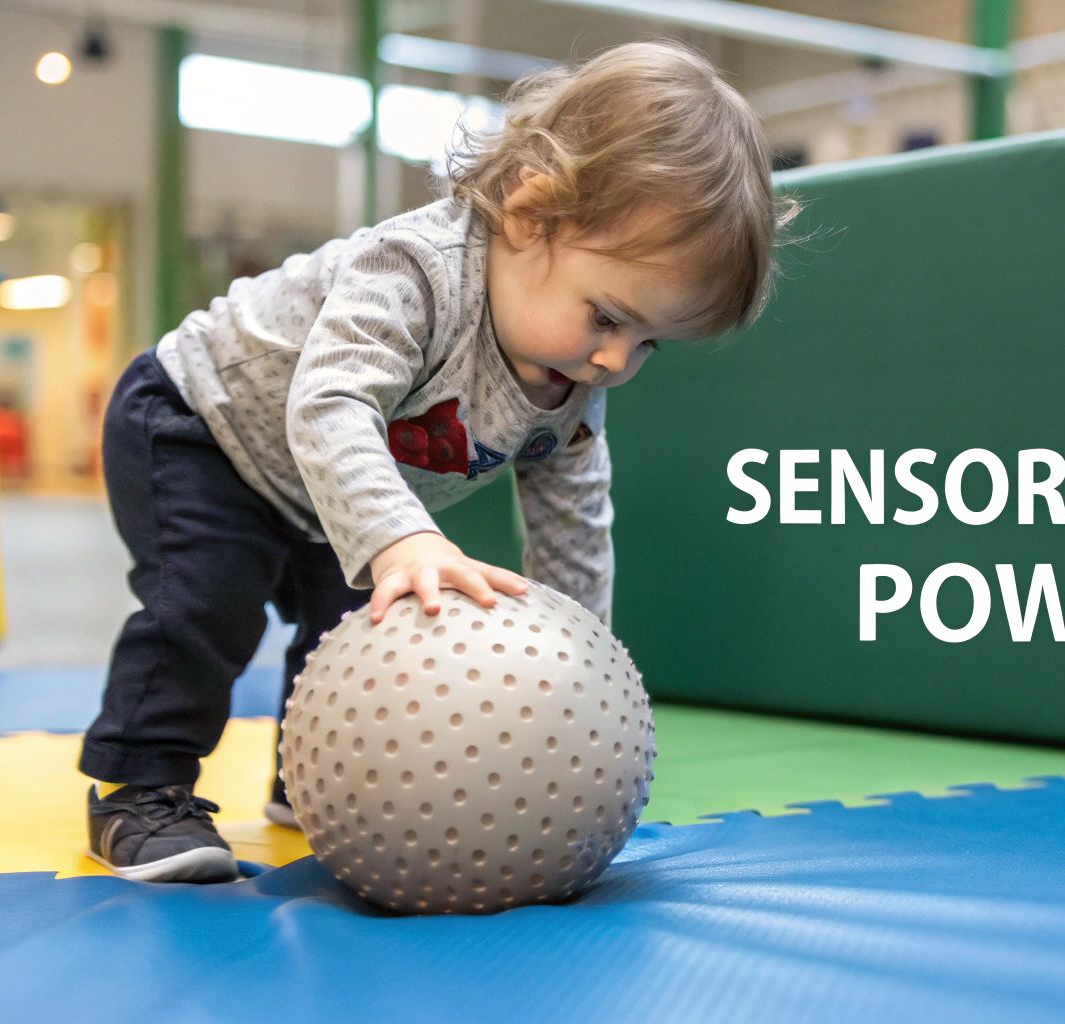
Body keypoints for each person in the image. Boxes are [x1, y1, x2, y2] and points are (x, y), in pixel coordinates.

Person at [79, 40, 798, 883]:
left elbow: (575, 519)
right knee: (205, 607)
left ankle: (317, 779)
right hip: (200, 422)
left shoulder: (570, 379)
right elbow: (331, 404)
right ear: (531, 215)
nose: (615, 361)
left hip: (325, 485)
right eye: (608, 317)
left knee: (362, 622)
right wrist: (401, 536)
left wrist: (575, 671)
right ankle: (140, 788)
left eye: (650, 344)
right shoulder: (418, 270)